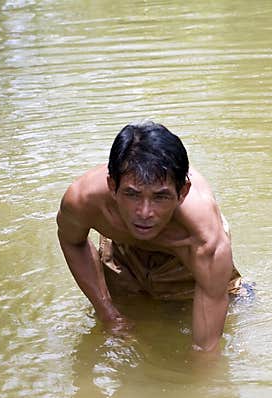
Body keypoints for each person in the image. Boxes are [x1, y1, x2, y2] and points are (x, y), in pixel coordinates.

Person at [56, 121, 245, 354]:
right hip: (122, 253)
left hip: (184, 264)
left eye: (160, 197)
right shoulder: (83, 200)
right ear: (112, 186)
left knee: (227, 317)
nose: (145, 212)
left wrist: (201, 385)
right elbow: (73, 242)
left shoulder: (204, 237)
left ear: (182, 192)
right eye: (132, 194)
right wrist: (107, 314)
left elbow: (205, 346)